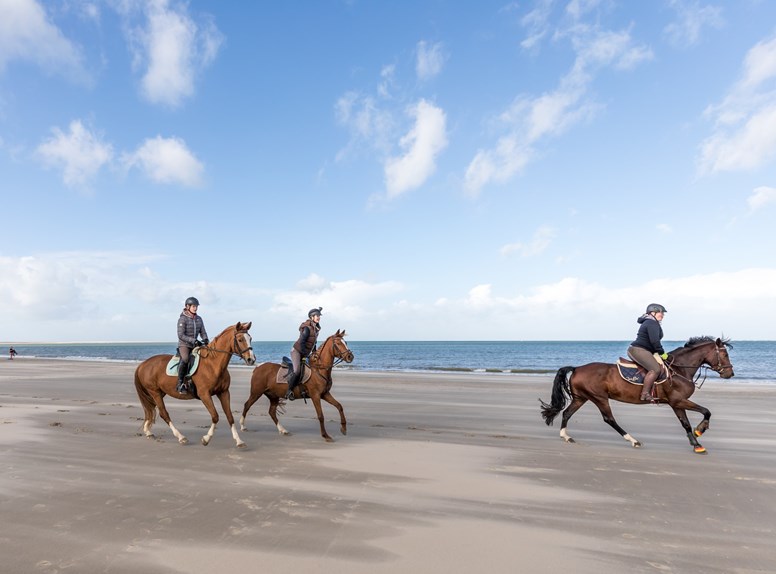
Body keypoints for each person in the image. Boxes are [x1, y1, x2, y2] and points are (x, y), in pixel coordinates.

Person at [627, 303, 668, 402]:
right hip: (639, 350)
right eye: (660, 313)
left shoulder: (652, 322)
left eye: (663, 313)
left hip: (646, 350)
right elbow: (655, 342)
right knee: (655, 369)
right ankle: (645, 394)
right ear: (652, 313)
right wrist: (662, 353)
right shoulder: (651, 323)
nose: (662, 315)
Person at [286, 307, 322, 400]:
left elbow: (313, 342)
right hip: (297, 351)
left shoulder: (316, 329)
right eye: (317, 316)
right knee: (297, 370)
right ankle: (289, 390)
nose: (318, 317)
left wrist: (314, 353)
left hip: (305, 352)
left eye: (319, 316)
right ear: (311, 317)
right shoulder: (307, 328)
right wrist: (304, 355)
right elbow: (302, 342)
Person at [176, 297, 209, 394]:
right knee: (186, 359)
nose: (195, 308)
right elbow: (181, 335)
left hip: (195, 344)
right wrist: (194, 340)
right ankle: (180, 383)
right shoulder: (182, 319)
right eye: (194, 306)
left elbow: (203, 332)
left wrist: (205, 339)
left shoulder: (199, 319)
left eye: (196, 306)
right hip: (184, 345)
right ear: (187, 306)